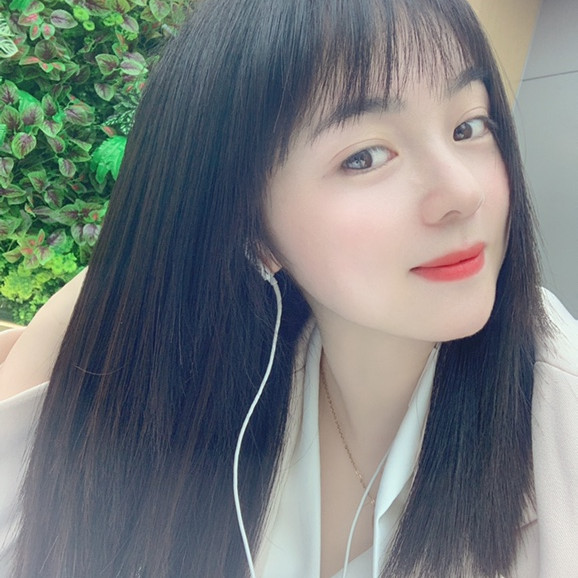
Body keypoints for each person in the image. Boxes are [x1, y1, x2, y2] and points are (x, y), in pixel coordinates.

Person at [1, 0, 577, 576]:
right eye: (365, 157)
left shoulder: (559, 420)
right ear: (250, 224)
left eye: (468, 127)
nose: (463, 193)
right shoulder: (207, 387)